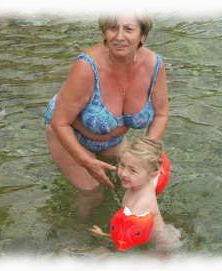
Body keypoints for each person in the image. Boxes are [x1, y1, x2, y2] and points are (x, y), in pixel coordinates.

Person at [43, 12, 169, 217]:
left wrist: (145, 154)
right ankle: (76, 237)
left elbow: (161, 114)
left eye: (128, 29)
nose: (119, 36)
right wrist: (86, 161)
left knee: (130, 185)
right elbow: (60, 122)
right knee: (93, 193)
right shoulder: (86, 66)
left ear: (142, 35)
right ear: (104, 32)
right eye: (113, 28)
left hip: (113, 138)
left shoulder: (154, 65)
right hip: (67, 132)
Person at [88, 137, 181, 253]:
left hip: (160, 243)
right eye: (122, 165)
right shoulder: (145, 181)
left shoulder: (139, 206)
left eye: (132, 170)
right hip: (162, 232)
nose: (123, 173)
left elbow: (124, 241)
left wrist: (102, 235)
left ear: (152, 174)